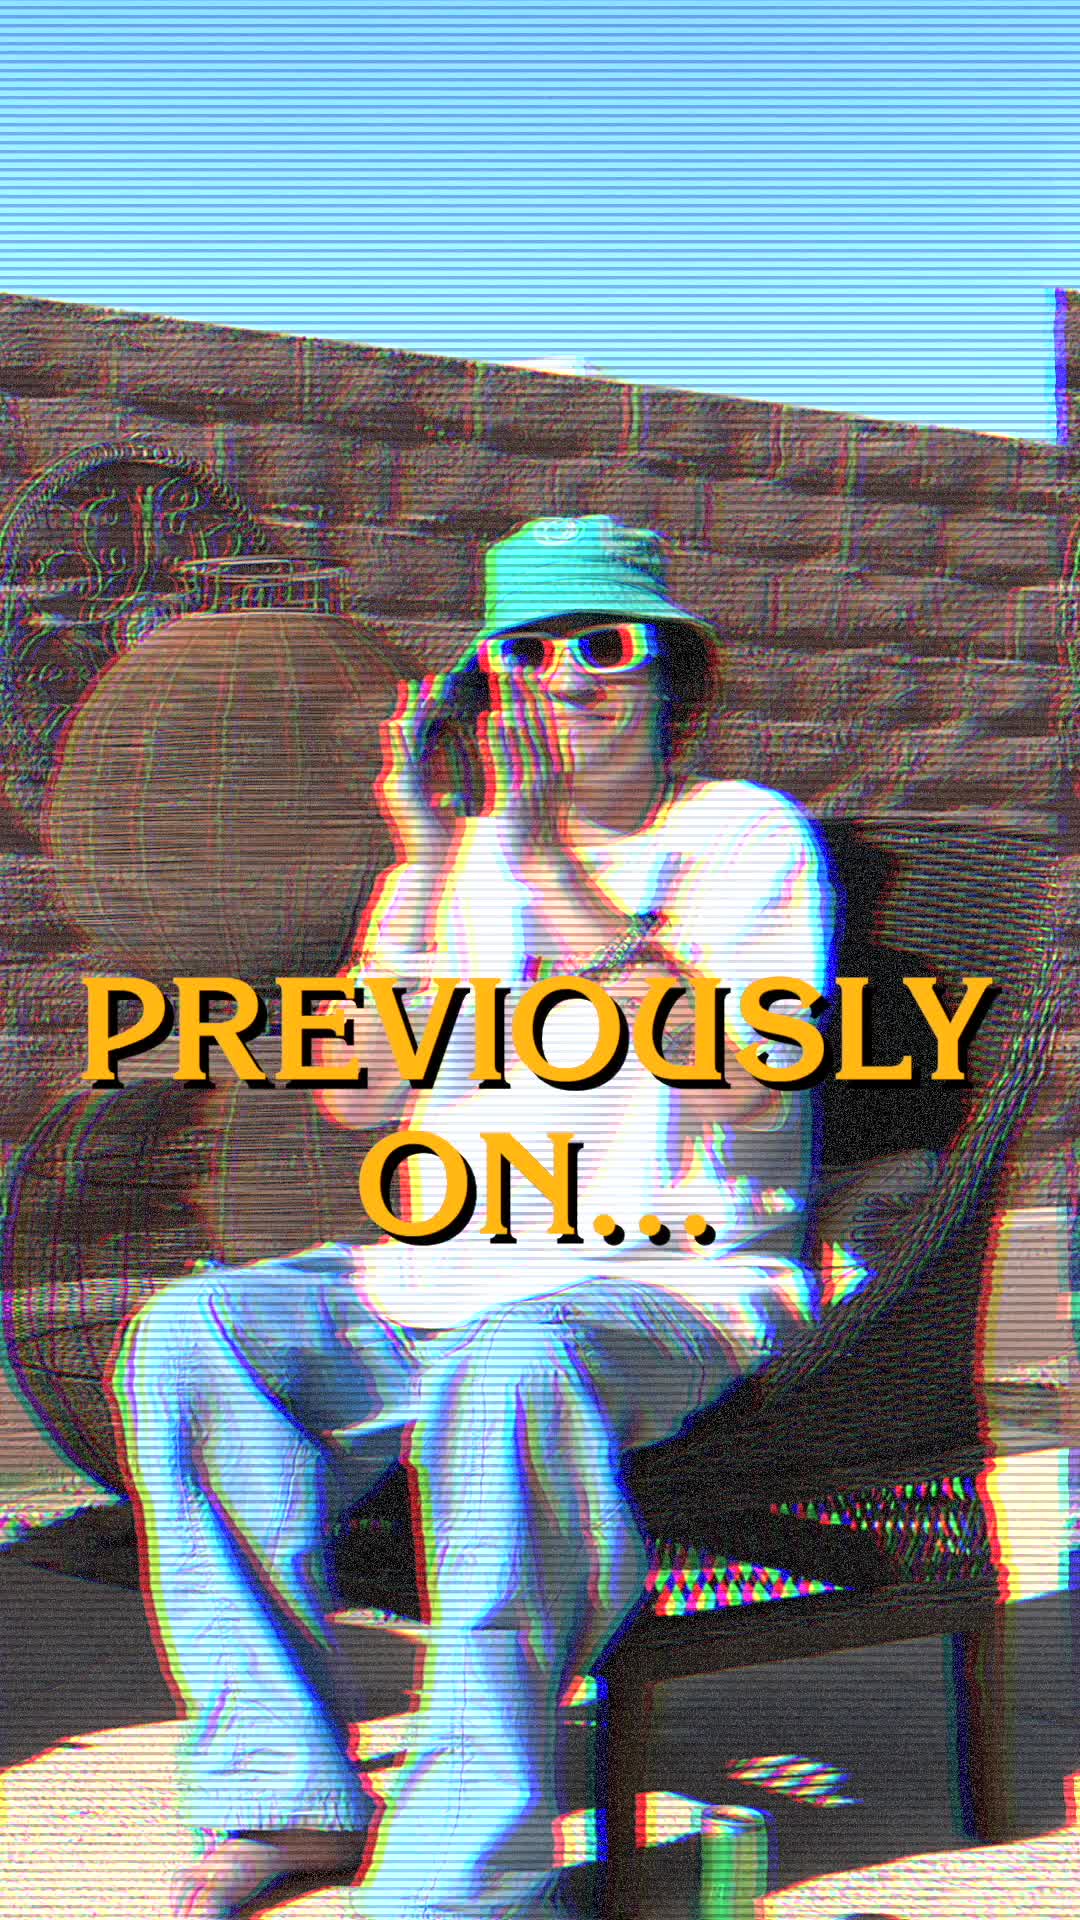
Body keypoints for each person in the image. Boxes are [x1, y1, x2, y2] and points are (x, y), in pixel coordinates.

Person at [108, 515, 834, 1919]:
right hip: (436, 1277)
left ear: (669, 675)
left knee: (513, 1369)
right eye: (528, 653)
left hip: (665, 1287)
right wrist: (427, 864)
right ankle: (283, 1792)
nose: (566, 678)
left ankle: (466, 1876)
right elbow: (359, 1103)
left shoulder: (742, 838)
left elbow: (740, 1080)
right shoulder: (455, 865)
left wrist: (546, 862)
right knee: (197, 1336)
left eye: (603, 646)